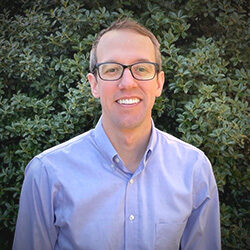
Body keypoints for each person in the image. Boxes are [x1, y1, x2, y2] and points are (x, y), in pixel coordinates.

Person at [13, 18, 221, 250]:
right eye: (112, 69)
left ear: (159, 83)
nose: (127, 82)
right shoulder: (46, 173)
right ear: (94, 85)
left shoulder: (193, 169)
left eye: (141, 68)